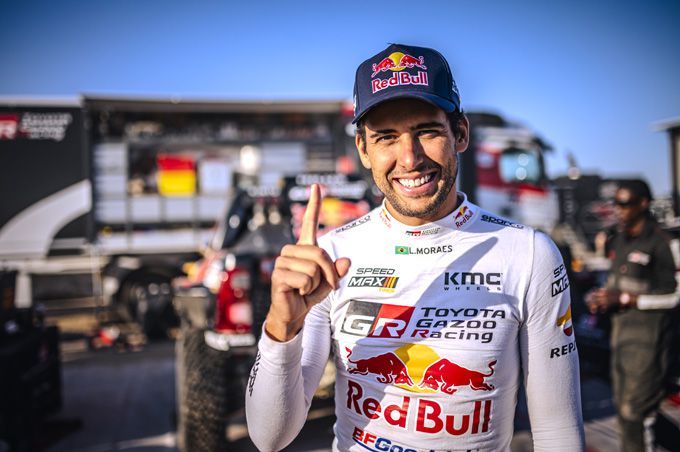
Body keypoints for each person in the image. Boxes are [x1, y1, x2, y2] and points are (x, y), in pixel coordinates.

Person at [246, 43, 585, 451]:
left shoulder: (529, 254)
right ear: (364, 150)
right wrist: (281, 328)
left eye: (427, 131)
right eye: (386, 137)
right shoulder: (331, 255)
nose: (409, 158)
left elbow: (558, 432)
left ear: (460, 133)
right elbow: (269, 437)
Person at [586, 179, 680, 452]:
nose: (618, 209)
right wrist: (601, 298)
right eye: (615, 203)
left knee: (635, 412)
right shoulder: (618, 240)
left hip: (651, 342)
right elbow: (614, 285)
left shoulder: (663, 243)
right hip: (621, 340)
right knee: (626, 412)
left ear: (643, 204)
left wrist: (627, 299)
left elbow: (675, 296)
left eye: (624, 203)